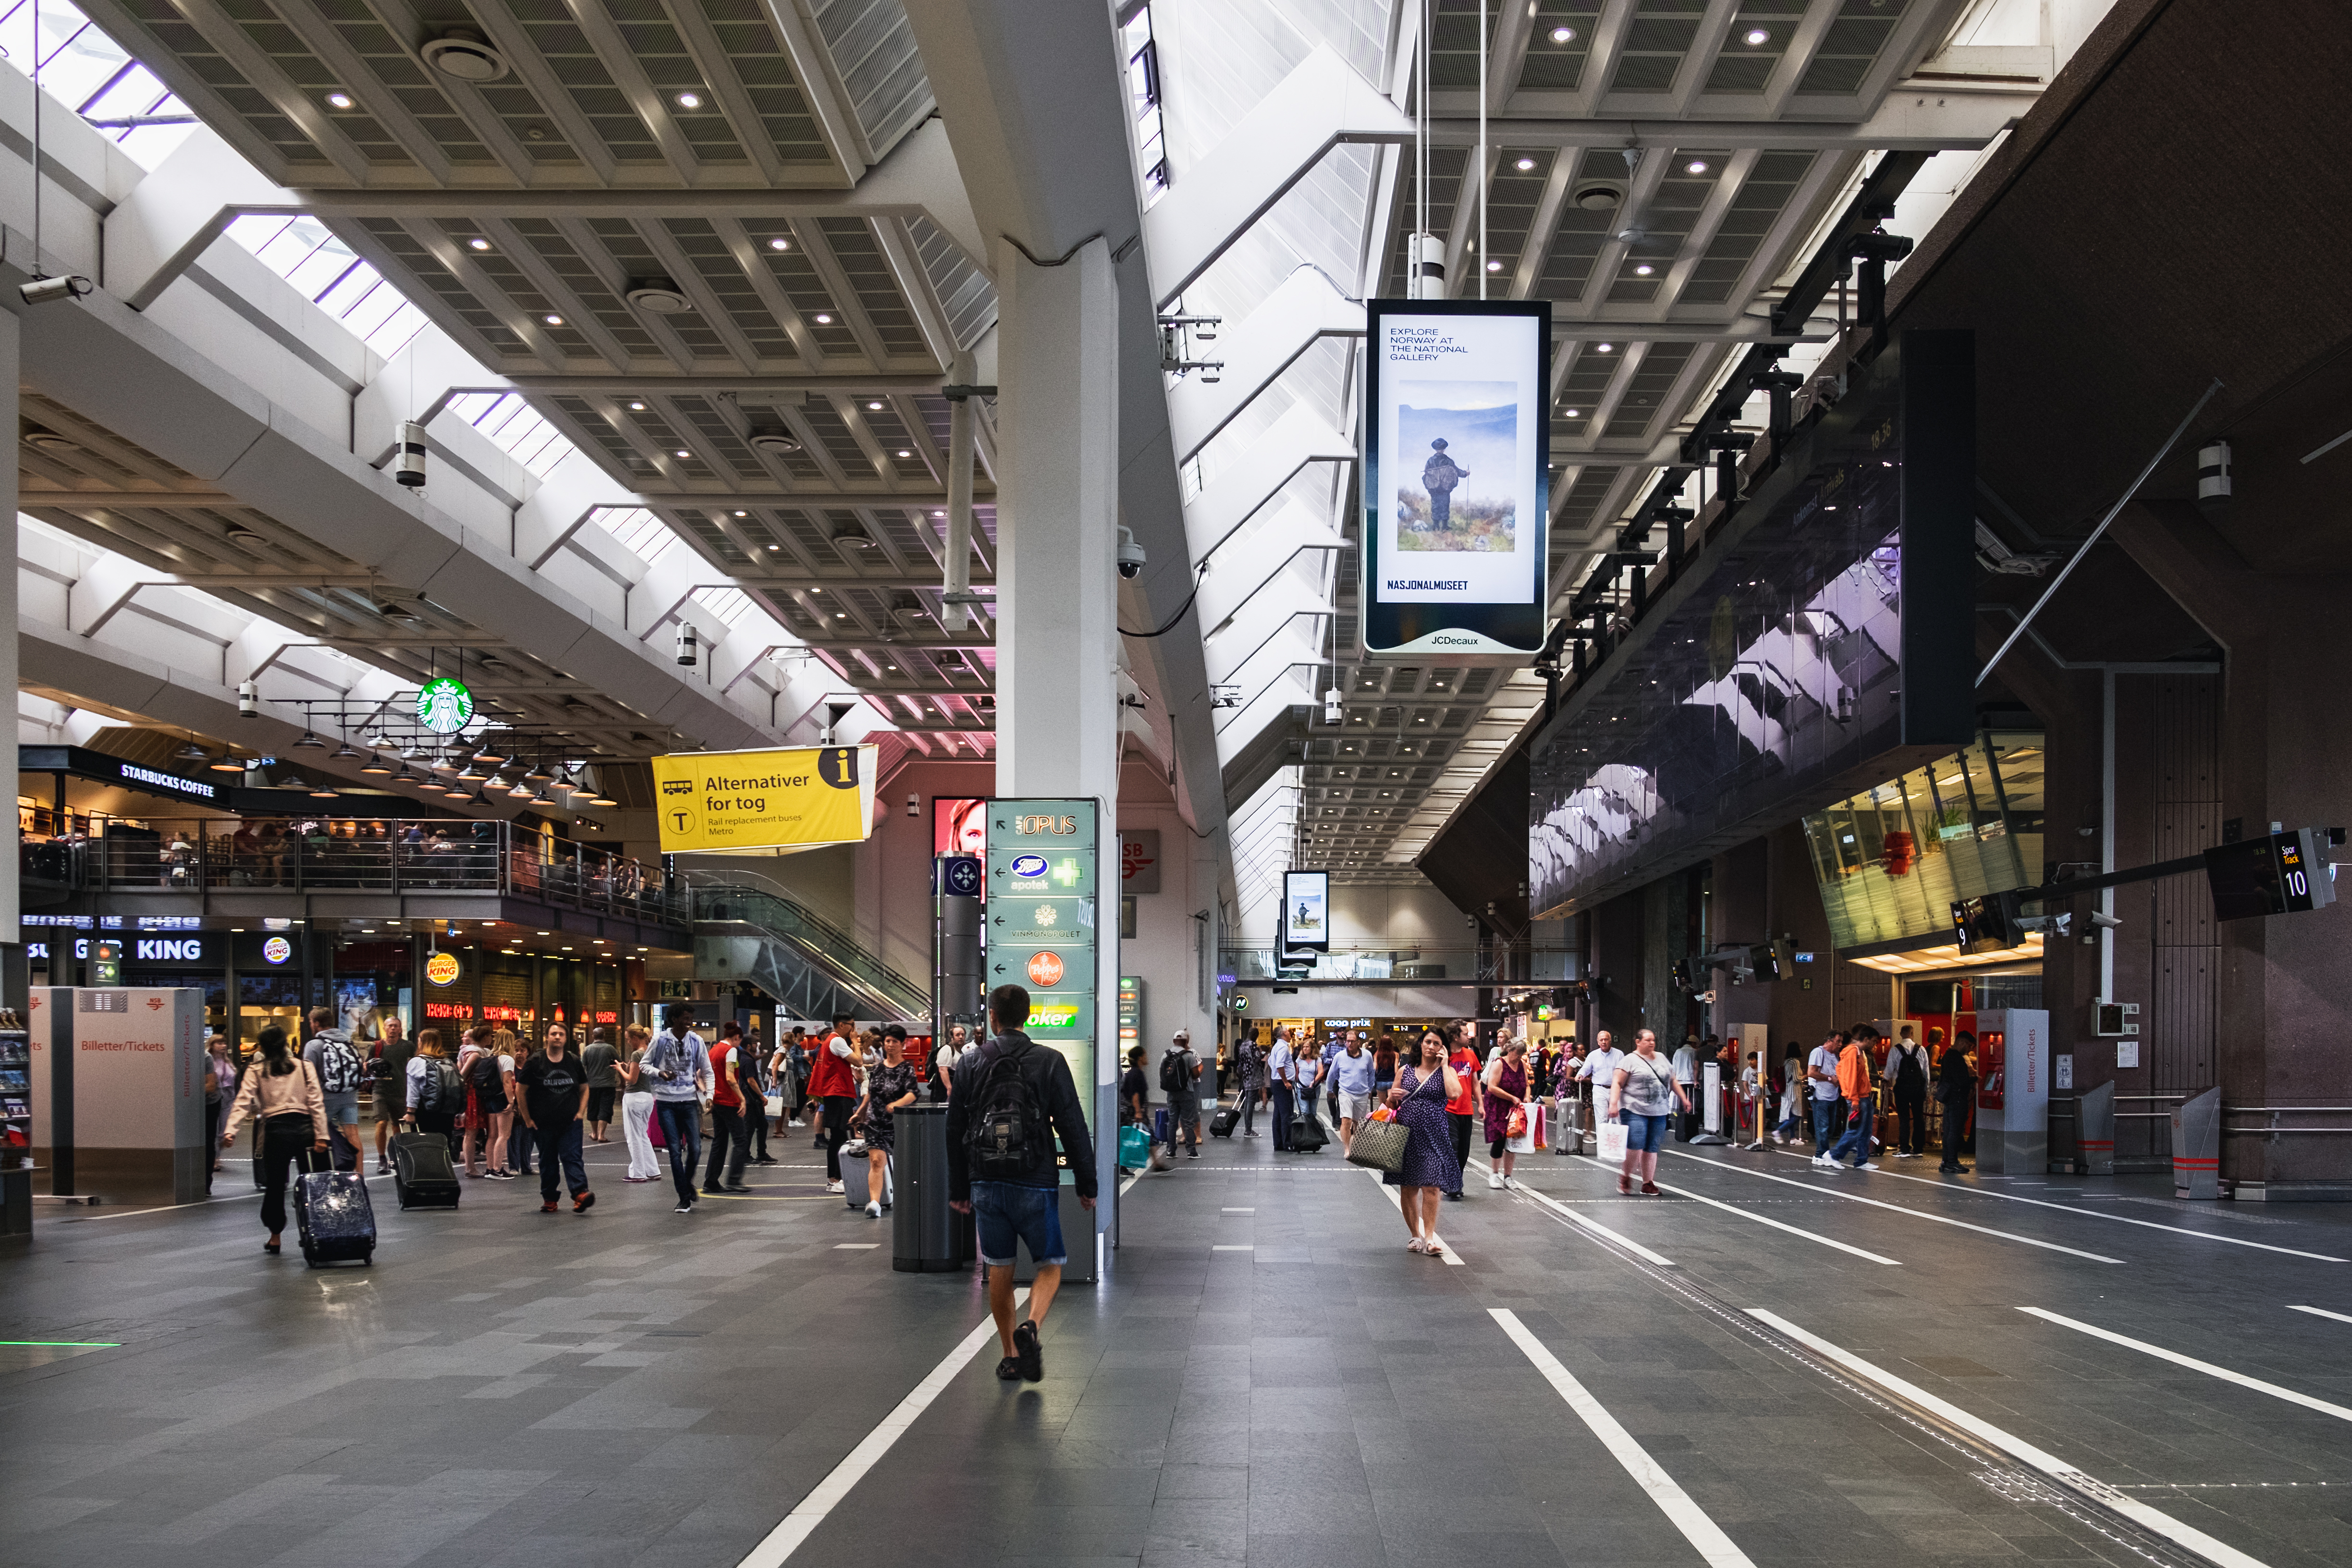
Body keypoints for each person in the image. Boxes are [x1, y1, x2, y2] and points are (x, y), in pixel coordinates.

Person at [946, 984, 1098, 1383]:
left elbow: (954, 1128)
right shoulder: (1049, 1060)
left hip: (986, 1180)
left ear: (992, 1016)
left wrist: (959, 1188)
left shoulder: (971, 1061)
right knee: (1050, 1263)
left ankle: (1010, 1357)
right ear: (1028, 1017)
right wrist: (1088, 1183)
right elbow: (1072, 1125)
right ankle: (1031, 1326)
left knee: (999, 1266)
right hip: (1036, 1178)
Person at [218, 1025, 329, 1254]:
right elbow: (317, 1103)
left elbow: (243, 1101)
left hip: (276, 1132)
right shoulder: (305, 1067)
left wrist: (231, 1130)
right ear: (286, 1043)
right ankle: (322, 1231)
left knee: (276, 1186)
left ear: (264, 1047)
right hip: (306, 1130)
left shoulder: (257, 1069)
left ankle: (275, 1236)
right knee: (315, 1183)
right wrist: (322, 1136)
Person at [1385, 1030, 1464, 1256]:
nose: (1431, 1046)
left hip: (1435, 1135)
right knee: (1408, 1188)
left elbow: (1455, 1094)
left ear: (1443, 1048)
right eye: (1428, 1042)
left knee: (1432, 1187)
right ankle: (1415, 1235)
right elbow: (1391, 1104)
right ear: (1421, 1045)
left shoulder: (1446, 1071)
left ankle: (1430, 1237)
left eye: (1437, 1043)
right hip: (1407, 1135)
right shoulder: (1405, 1070)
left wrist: (1446, 1063)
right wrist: (1393, 1096)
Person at [640, 1005, 713, 1213]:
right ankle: (683, 1196)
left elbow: (707, 1071)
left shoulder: (696, 1041)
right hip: (666, 1103)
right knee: (674, 1150)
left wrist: (709, 1095)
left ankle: (687, 1182)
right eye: (684, 1018)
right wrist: (660, 1072)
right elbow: (644, 1065)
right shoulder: (660, 1040)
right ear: (673, 1019)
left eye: (691, 1017)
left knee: (696, 1148)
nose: (689, 1021)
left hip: (689, 1100)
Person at [516, 1022, 594, 1213]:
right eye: (553, 1034)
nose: (557, 1037)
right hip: (542, 1123)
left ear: (566, 1039)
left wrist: (581, 1112)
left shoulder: (574, 1061)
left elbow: (584, 1088)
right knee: (548, 1160)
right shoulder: (535, 1062)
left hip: (570, 1122)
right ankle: (550, 1198)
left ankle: (580, 1194)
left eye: (561, 1034)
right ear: (547, 1038)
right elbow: (520, 1090)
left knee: (572, 1157)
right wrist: (527, 1119)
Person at [1609, 1028, 1691, 1196]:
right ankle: (1626, 1176)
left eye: (1653, 1040)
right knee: (1636, 1143)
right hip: (1634, 1109)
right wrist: (1613, 1104)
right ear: (1638, 1042)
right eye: (1648, 1040)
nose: (1652, 1043)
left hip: (1659, 1110)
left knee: (1651, 1147)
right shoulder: (1629, 1060)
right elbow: (1617, 1082)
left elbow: (1673, 1079)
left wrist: (1683, 1098)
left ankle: (1647, 1183)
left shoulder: (1661, 1058)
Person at [858, 1030, 920, 1217]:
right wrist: (860, 1113)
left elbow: (913, 1093)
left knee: (902, 1163)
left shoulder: (907, 1069)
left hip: (898, 1124)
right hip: (874, 1121)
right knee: (877, 1161)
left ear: (902, 1044)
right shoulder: (877, 1069)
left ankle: (907, 1198)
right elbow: (870, 1093)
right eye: (887, 1041)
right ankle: (875, 1203)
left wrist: (896, 1104)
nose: (890, 1045)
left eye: (894, 1041)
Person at [299, 1006, 367, 1174]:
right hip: (349, 1096)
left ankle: (321, 1174)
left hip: (325, 1099)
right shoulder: (348, 1043)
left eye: (311, 1022)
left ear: (315, 1023)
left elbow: (308, 1075)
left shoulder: (314, 1045)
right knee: (353, 1135)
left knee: (319, 1135)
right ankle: (359, 1176)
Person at [808, 1012, 859, 1194]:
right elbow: (858, 1061)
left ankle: (836, 1178)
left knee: (839, 1137)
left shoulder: (829, 1042)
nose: (854, 1029)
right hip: (838, 1092)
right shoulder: (837, 1041)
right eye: (852, 1025)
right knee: (838, 1137)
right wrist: (855, 1042)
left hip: (835, 1092)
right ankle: (834, 1179)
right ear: (842, 1025)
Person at [704, 1019, 753, 1196]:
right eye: (740, 1040)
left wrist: (708, 1094)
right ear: (737, 1038)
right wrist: (742, 1099)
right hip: (728, 1101)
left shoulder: (714, 1050)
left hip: (716, 1100)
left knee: (720, 1141)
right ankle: (734, 1180)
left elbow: (702, 1074)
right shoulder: (731, 1051)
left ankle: (711, 1181)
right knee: (741, 1140)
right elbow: (731, 1078)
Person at [460, 1026, 514, 1179]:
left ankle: (490, 1168)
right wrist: (511, 1102)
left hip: (489, 1097)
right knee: (504, 1135)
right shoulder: (507, 1059)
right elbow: (507, 1082)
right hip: (502, 1098)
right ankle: (498, 1168)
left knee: (492, 1135)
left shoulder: (490, 1056)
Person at [1823, 1027, 1880, 1171]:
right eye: (1873, 1041)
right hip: (1859, 1098)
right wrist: (1854, 1099)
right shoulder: (1852, 1052)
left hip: (1863, 1097)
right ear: (1866, 1039)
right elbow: (1850, 1077)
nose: (1874, 1045)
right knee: (1857, 1130)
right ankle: (1834, 1155)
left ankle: (1861, 1160)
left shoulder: (1857, 1052)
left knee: (1865, 1131)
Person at [403, 1028, 461, 1155]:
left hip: (427, 1110)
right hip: (447, 1111)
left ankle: (429, 1171)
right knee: (443, 1144)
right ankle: (443, 1171)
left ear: (422, 1042)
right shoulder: (448, 1062)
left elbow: (413, 1090)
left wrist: (410, 1112)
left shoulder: (417, 1062)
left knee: (427, 1145)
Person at [1482, 1037, 1531, 1189]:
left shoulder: (1521, 1064)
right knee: (1500, 1139)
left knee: (1513, 1141)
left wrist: (1527, 1096)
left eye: (1521, 1055)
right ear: (1509, 1050)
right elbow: (1492, 1087)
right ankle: (1495, 1173)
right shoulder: (1499, 1063)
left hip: (1516, 1107)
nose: (1519, 1058)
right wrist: (1511, 1097)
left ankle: (1508, 1176)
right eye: (1517, 1054)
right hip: (1498, 1106)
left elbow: (1527, 1084)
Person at [618, 1024, 661, 1183]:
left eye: (629, 1039)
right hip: (648, 1097)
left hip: (634, 1097)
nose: (629, 1042)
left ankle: (638, 1173)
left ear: (636, 1038)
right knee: (642, 1135)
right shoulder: (652, 1052)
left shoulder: (637, 1054)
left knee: (633, 1136)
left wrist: (620, 1069)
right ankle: (653, 1170)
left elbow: (632, 1079)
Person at [1444, 1021, 1481, 1199]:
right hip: (1447, 1108)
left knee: (1464, 1151)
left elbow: (1475, 1082)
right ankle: (1452, 1183)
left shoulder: (1471, 1055)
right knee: (1453, 1146)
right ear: (1455, 1037)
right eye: (1465, 1034)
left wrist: (1480, 1104)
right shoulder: (1444, 1056)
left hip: (1466, 1109)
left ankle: (1455, 1181)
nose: (1469, 1037)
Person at [369, 1015, 410, 1175]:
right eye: (390, 1026)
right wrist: (372, 1071)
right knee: (381, 1123)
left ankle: (394, 1156)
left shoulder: (408, 1046)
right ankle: (382, 1158)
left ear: (400, 1029)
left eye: (396, 1026)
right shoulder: (377, 1046)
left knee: (397, 1126)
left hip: (400, 1091)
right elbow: (367, 1068)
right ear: (385, 1029)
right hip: (380, 1090)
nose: (393, 1029)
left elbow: (415, 1065)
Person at [1327, 1029, 1377, 1157]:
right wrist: (1329, 1090)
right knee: (1346, 1120)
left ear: (1358, 1042)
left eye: (1352, 1041)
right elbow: (1332, 1074)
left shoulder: (1367, 1056)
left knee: (1359, 1123)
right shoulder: (1340, 1057)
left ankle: (1357, 1146)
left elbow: (1371, 1073)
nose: (1349, 1044)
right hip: (1345, 1092)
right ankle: (1347, 1149)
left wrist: (1370, 1088)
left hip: (1361, 1093)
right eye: (1347, 1041)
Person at [1888, 1026, 1934, 1159]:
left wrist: (1886, 1080)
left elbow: (1889, 1070)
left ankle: (1904, 1149)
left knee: (1904, 1119)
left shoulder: (1896, 1049)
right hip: (1918, 1089)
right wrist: (1925, 1088)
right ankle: (1918, 1148)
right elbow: (1926, 1072)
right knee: (1919, 1118)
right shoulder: (1921, 1049)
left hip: (1902, 1089)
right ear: (1912, 1034)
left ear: (1901, 1033)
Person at [1938, 1030, 1978, 1173]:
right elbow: (1961, 1081)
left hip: (1950, 1099)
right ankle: (1953, 1162)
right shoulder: (1957, 1058)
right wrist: (1975, 1078)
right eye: (1969, 1046)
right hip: (1958, 1099)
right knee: (1955, 1132)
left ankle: (1946, 1162)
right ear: (1961, 1042)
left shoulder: (1948, 1055)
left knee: (1949, 1131)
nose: (1970, 1050)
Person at [1162, 1030, 1203, 1158]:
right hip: (1187, 1092)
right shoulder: (1189, 1055)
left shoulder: (1166, 1055)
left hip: (1171, 1093)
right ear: (1186, 1042)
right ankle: (1191, 1151)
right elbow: (1196, 1075)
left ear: (1174, 1041)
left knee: (1172, 1122)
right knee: (1188, 1121)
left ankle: (1170, 1151)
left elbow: (1162, 1074)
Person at [203, 1034, 236, 1189]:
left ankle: (217, 1155)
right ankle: (216, 1158)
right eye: (219, 1043)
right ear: (212, 1045)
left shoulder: (227, 1061)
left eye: (224, 1043)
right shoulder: (208, 1059)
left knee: (224, 1129)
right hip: (216, 1098)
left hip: (228, 1097)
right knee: (214, 1130)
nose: (223, 1046)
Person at [1806, 1030, 1844, 1153]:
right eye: (1838, 1041)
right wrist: (1830, 1078)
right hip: (1820, 1095)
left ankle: (1824, 1153)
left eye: (1841, 1042)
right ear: (1829, 1041)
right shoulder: (1818, 1052)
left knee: (1831, 1128)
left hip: (1833, 1095)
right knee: (1823, 1127)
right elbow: (1811, 1073)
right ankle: (1821, 1155)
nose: (1840, 1044)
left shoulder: (1836, 1056)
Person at [581, 1027, 619, 1145]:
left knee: (593, 1108)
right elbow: (619, 1063)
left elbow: (582, 1067)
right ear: (604, 1036)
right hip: (608, 1084)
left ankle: (594, 1133)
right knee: (605, 1108)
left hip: (592, 1085)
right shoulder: (610, 1049)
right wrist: (622, 1080)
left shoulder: (587, 1050)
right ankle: (602, 1135)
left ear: (593, 1036)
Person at [1421, 437, 1467, 527]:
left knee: (1435, 506)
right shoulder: (1448, 460)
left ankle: (1436, 526)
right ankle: (1445, 527)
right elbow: (1457, 471)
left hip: (1434, 488)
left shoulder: (1430, 461)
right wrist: (1466, 473)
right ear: (1444, 449)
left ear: (1435, 449)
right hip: (1445, 488)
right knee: (1445, 506)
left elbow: (1427, 474)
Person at [1266, 1027, 1297, 1152]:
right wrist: (1285, 1081)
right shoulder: (1283, 1047)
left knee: (1278, 1114)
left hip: (1277, 1083)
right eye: (1288, 1032)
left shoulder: (1276, 1046)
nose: (1290, 1034)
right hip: (1283, 1084)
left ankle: (1278, 1143)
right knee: (1287, 1114)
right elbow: (1279, 1065)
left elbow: (1270, 1062)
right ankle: (1287, 1143)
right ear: (1284, 1034)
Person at [1236, 1028, 1267, 1137]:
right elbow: (1257, 1060)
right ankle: (1248, 1130)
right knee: (1250, 1103)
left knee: (1248, 1101)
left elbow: (1241, 1061)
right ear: (1255, 1035)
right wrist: (1262, 1055)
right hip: (1254, 1075)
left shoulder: (1243, 1045)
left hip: (1246, 1075)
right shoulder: (1253, 1045)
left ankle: (1247, 1129)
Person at [1120, 1046, 1150, 1128]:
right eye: (1145, 1055)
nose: (1146, 1057)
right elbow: (1135, 1094)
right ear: (1140, 1058)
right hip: (1133, 1114)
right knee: (1145, 1137)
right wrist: (1138, 1112)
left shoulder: (1133, 1072)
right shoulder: (1137, 1074)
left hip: (1132, 1113)